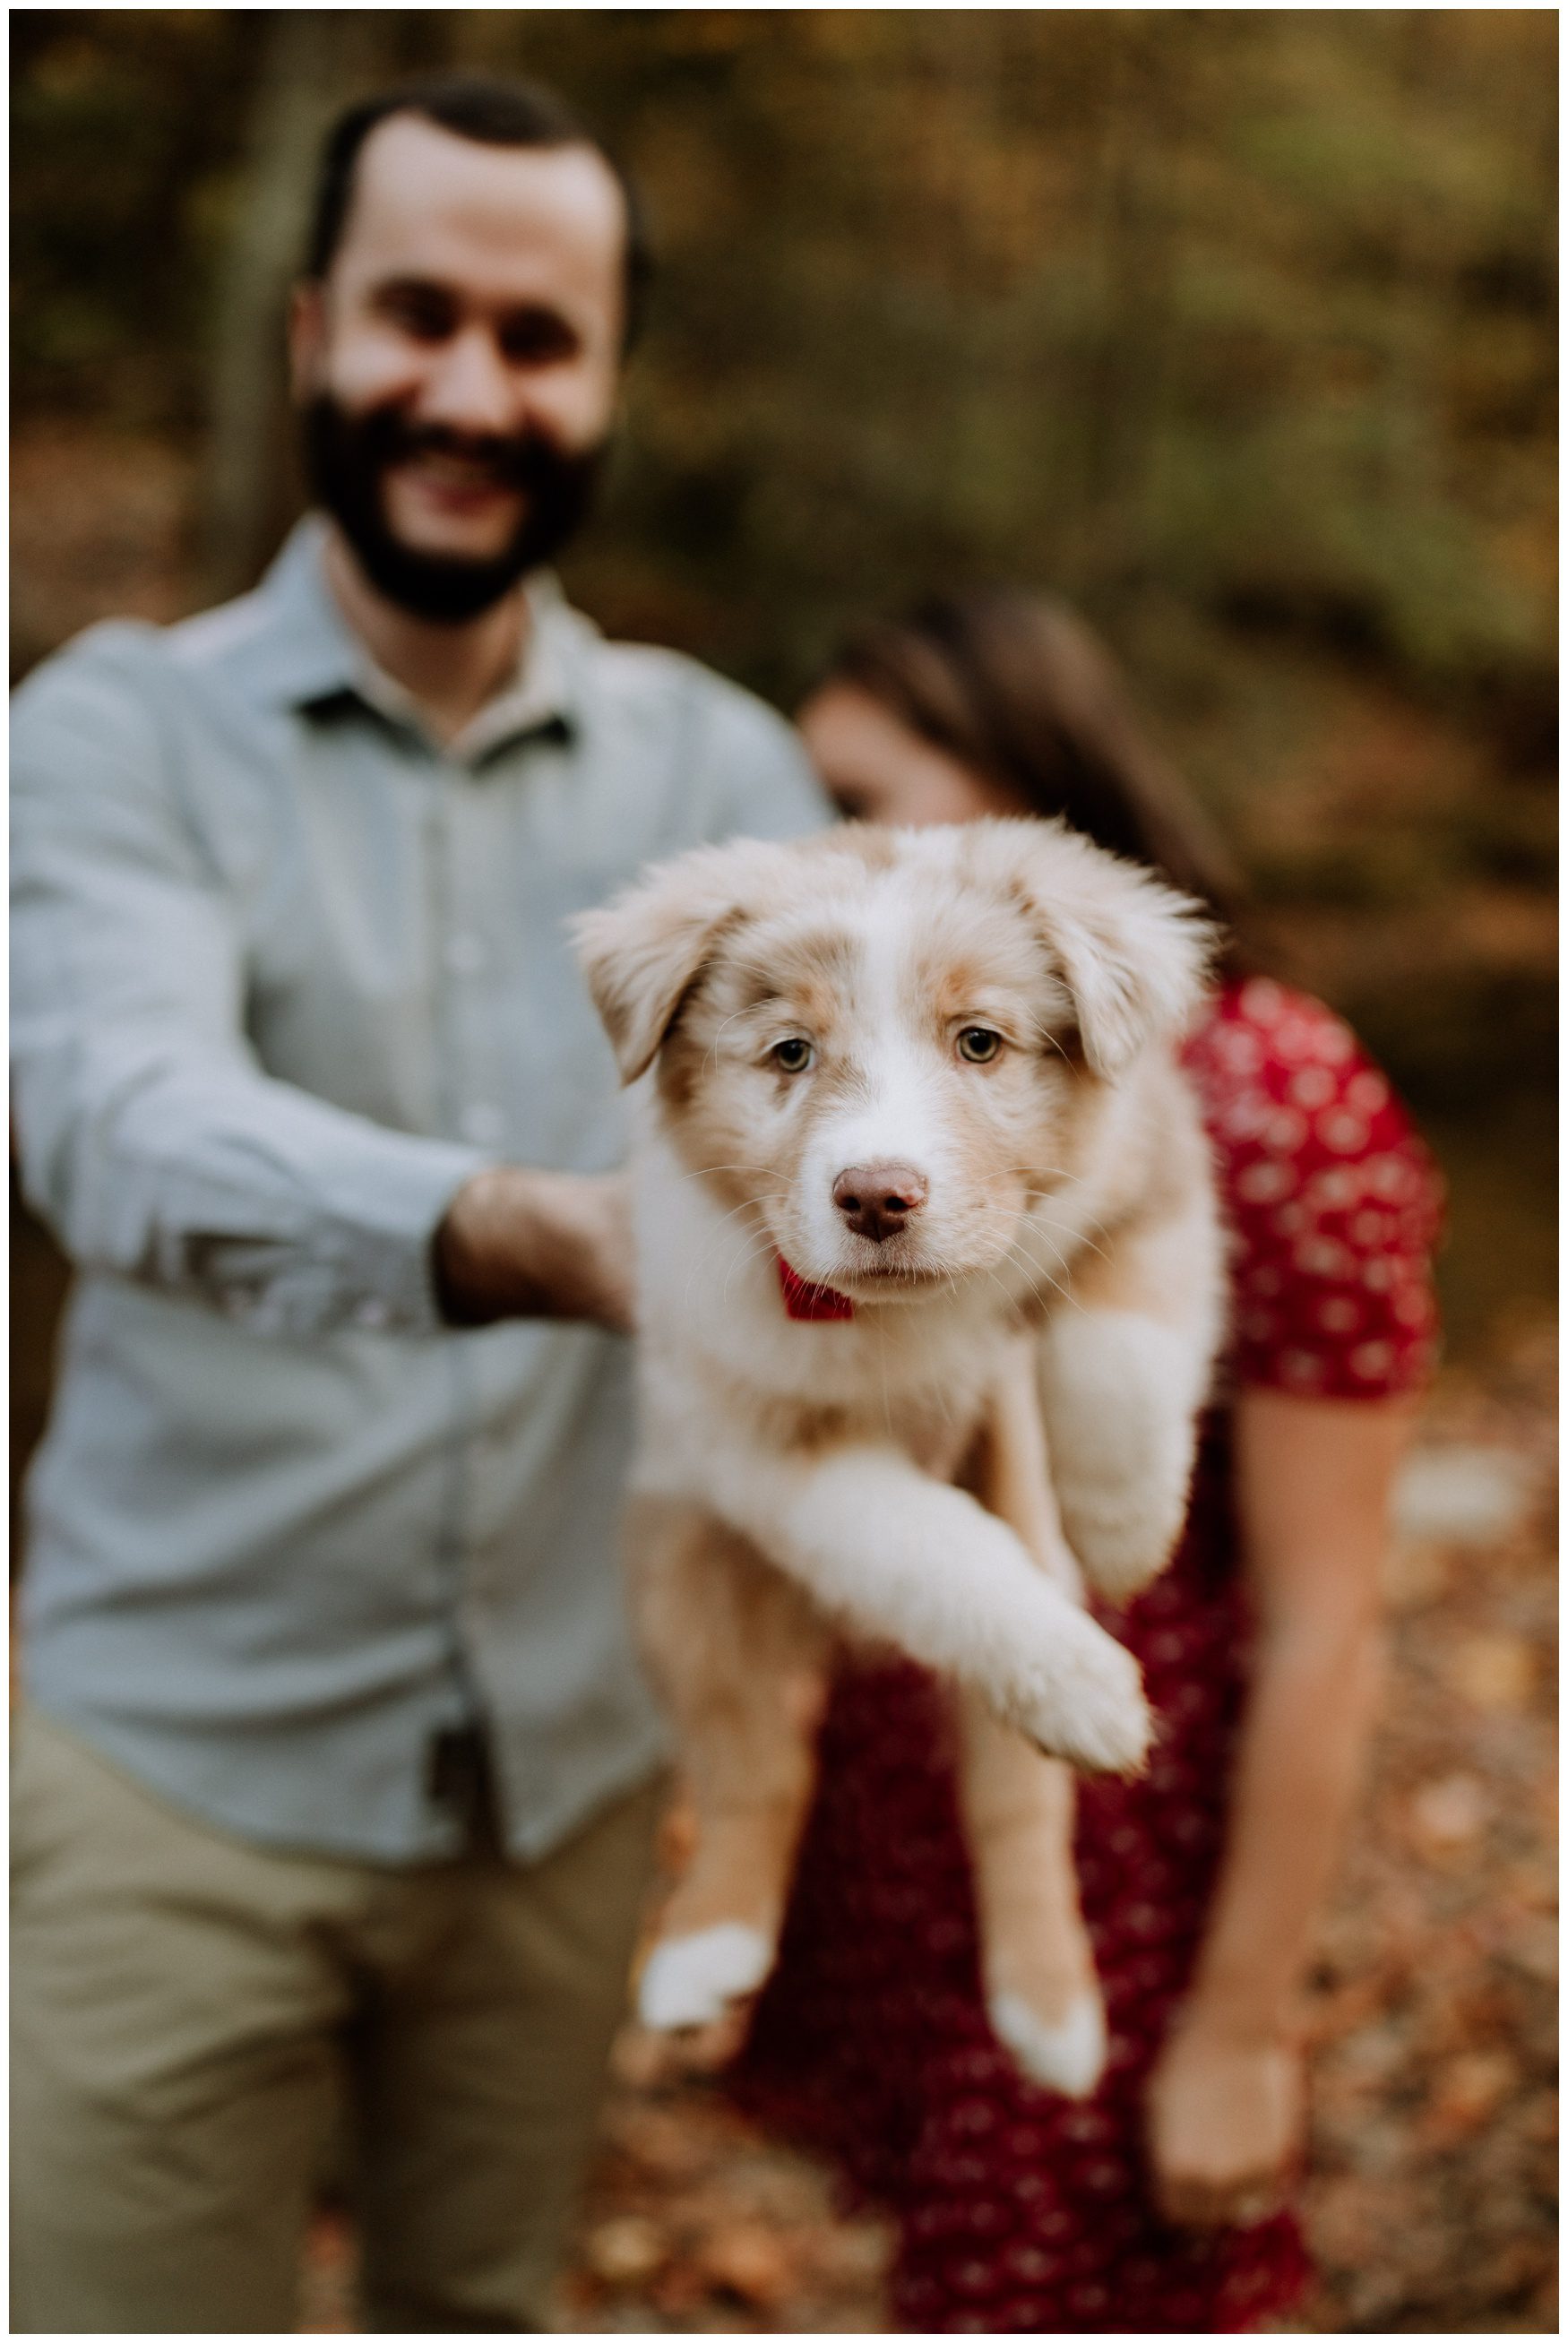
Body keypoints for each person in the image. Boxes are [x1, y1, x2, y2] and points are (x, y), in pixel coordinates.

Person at [9, 73, 829, 2335]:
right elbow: (115, 1119)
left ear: (609, 382)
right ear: (306, 333)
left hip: (562, 1797)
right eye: (417, 316)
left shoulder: (725, 778)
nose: (472, 391)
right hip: (177, 1781)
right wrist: (533, 1233)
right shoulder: (112, 737)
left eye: (539, 339)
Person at [731, 589, 1443, 2332]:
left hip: (1129, 1855)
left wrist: (1232, 2025)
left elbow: (1325, 1619)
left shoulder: (1270, 1096)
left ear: (1025, 797)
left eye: (860, 802)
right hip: (924, 1808)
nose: (817, 861)